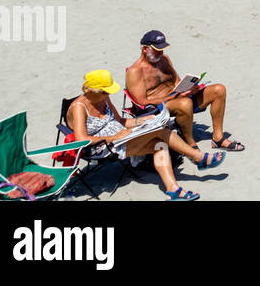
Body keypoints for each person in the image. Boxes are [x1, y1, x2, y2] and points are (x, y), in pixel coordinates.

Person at [66, 69, 224, 201]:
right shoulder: (79, 107)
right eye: (106, 91)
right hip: (103, 146)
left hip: (124, 136)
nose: (109, 93)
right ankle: (198, 157)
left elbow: (120, 121)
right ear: (95, 91)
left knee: (159, 144)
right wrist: (114, 137)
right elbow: (82, 140)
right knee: (160, 132)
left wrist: (141, 121)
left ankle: (173, 190)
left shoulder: (104, 98)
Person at [125, 30, 244, 152]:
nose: (161, 52)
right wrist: (176, 97)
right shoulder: (135, 71)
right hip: (159, 108)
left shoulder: (164, 59)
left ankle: (218, 138)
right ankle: (189, 143)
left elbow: (176, 81)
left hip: (178, 96)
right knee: (185, 103)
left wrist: (190, 88)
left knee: (219, 90)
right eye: (157, 50)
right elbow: (142, 102)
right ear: (145, 49)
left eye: (162, 49)